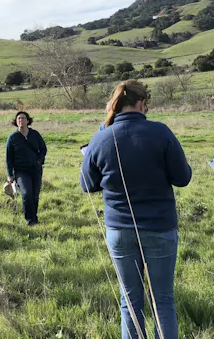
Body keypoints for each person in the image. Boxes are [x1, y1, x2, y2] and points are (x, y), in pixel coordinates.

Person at [80, 80, 192, 339]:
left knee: (129, 302)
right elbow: (183, 178)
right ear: (142, 104)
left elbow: (87, 184)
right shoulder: (161, 132)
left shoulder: (101, 137)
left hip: (119, 229)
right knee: (162, 300)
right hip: (159, 227)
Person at [5, 111, 47, 225]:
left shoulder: (35, 134)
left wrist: (39, 160)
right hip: (21, 171)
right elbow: (8, 158)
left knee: (35, 196)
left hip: (35, 170)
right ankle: (30, 220)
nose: (20, 120)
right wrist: (10, 175)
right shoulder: (12, 138)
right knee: (26, 194)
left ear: (28, 121)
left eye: (23, 118)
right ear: (16, 122)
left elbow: (43, 149)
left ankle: (34, 218)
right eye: (18, 118)